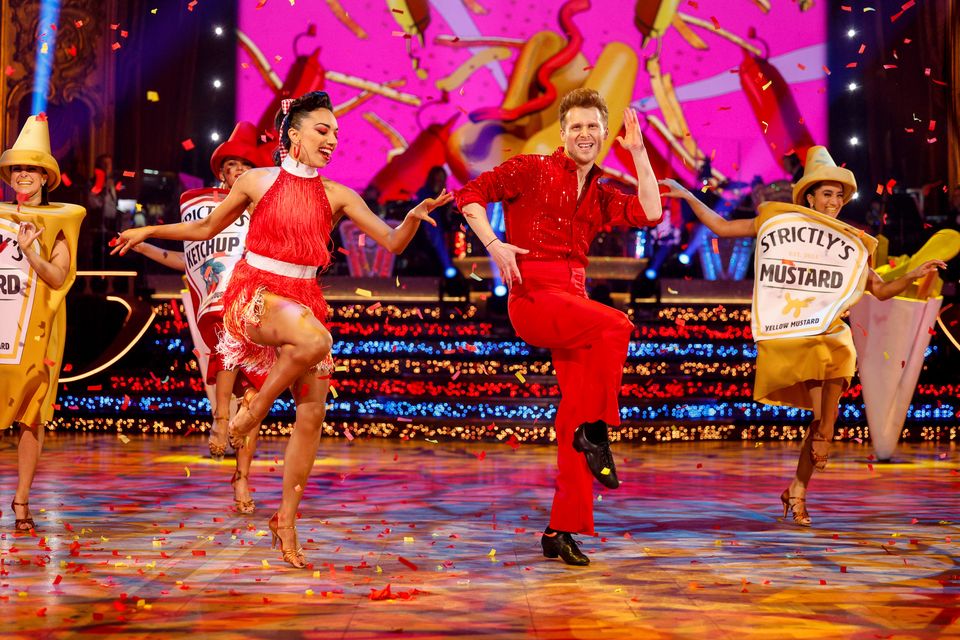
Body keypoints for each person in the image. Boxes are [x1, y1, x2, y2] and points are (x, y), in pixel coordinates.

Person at [111, 91, 451, 568]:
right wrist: (147, 232)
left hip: (306, 298)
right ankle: (251, 412)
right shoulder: (256, 181)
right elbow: (206, 229)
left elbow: (392, 242)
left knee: (312, 415)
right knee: (317, 341)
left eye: (336, 133)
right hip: (257, 294)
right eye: (322, 130)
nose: (332, 140)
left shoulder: (339, 195)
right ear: (293, 133)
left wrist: (413, 219)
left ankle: (285, 519)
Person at [660, 146, 945, 526]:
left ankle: (797, 489)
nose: (834, 201)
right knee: (821, 416)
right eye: (827, 193)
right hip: (797, 333)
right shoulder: (781, 225)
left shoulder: (851, 242)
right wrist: (688, 194)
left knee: (834, 381)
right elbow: (723, 227)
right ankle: (809, 463)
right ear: (809, 196)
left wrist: (912, 275)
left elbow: (879, 290)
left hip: (831, 333)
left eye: (839, 196)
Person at [455, 88, 663, 566]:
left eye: (594, 127)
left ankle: (561, 529)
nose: (585, 134)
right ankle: (599, 428)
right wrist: (494, 244)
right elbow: (470, 195)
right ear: (563, 132)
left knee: (572, 417)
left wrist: (639, 153)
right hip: (534, 298)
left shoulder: (601, 191)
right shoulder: (530, 168)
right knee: (617, 326)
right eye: (577, 127)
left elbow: (650, 212)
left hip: (575, 302)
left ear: (604, 134)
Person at [129, 121, 271, 515]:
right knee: (229, 330)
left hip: (262, 308)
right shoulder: (207, 213)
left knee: (255, 401)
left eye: (245, 164)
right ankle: (220, 420)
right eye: (231, 166)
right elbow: (190, 264)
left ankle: (241, 475)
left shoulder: (265, 211)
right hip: (225, 308)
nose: (237, 171)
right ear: (221, 173)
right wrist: (145, 247)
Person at [0, 115, 85, 532]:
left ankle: (21, 501)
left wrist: (31, 253)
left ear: (45, 177)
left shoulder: (60, 221)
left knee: (32, 416)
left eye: (31, 169)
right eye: (18, 168)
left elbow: (58, 277)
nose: (23, 175)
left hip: (38, 331)